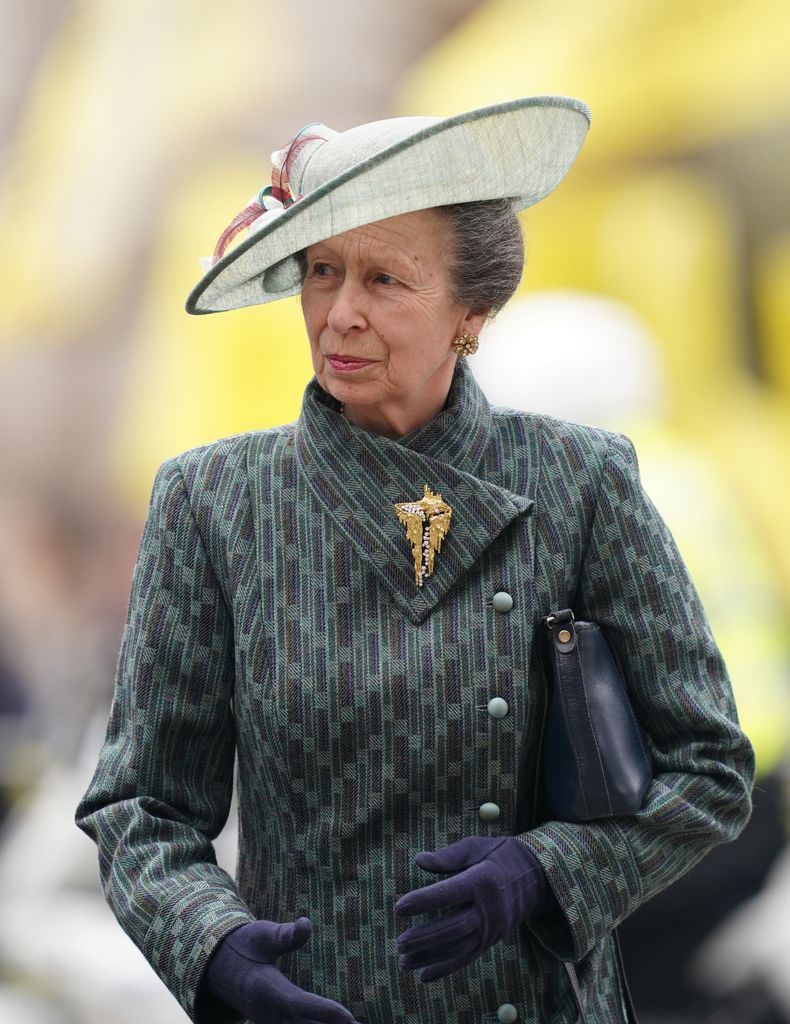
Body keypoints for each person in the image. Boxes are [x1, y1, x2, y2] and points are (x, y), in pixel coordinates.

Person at [75, 97, 754, 1024]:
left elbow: (709, 767)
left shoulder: (581, 479)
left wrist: (546, 870)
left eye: (386, 280)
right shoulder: (214, 502)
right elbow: (140, 807)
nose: (340, 313)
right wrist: (218, 953)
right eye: (322, 272)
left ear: (472, 311)